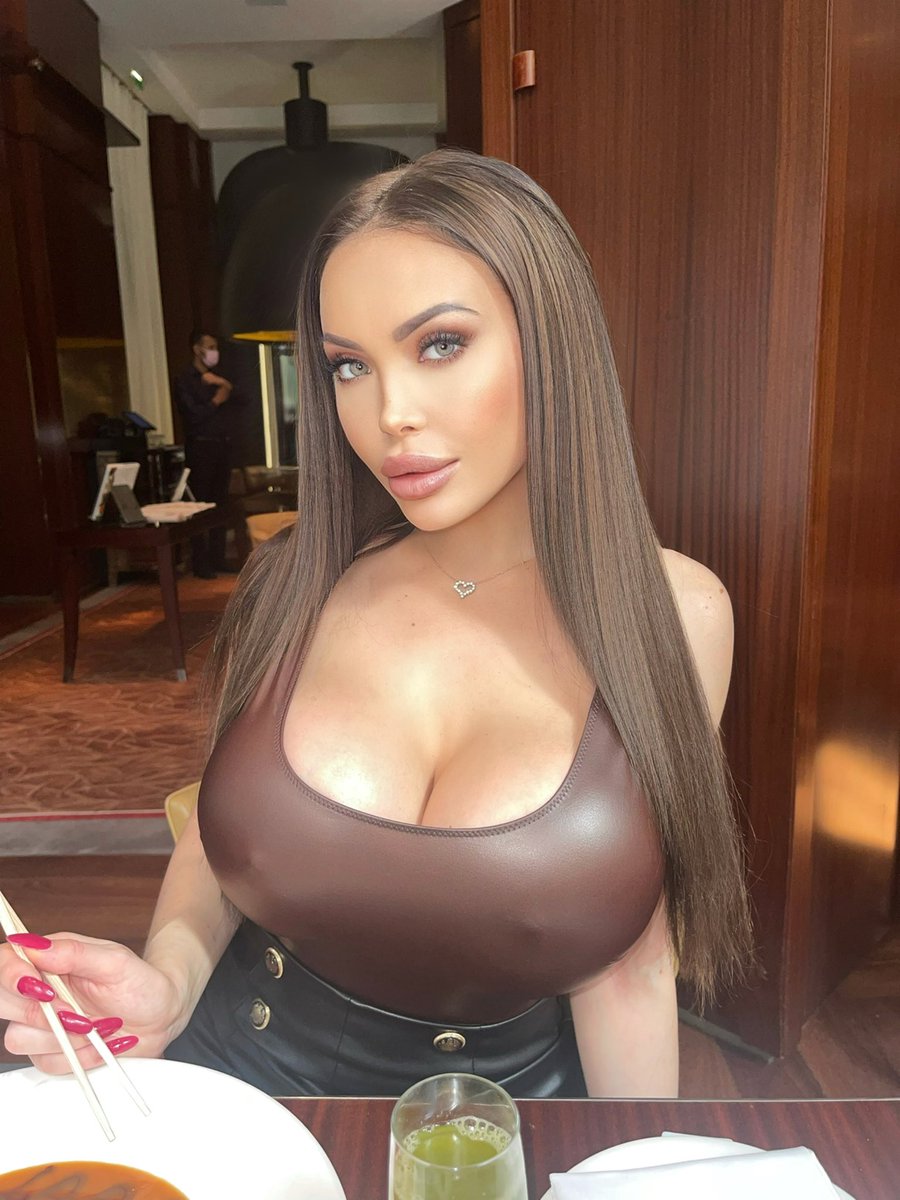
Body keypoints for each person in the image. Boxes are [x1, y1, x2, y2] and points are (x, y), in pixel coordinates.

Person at [0, 150, 753, 1098]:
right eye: (349, 366)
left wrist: (632, 1155)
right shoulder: (295, 577)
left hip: (501, 1125)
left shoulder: (679, 615)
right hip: (237, 1087)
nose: (390, 413)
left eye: (440, 344)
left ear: (551, 340)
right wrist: (170, 982)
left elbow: (631, 959)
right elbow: (223, 838)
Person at [172, 330, 236, 578]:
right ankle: (201, 561)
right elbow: (192, 415)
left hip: (222, 445)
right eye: (209, 347)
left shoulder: (218, 376)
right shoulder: (185, 379)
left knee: (220, 503)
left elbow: (241, 398)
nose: (213, 352)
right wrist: (216, 400)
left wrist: (223, 385)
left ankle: (219, 558)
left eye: (215, 347)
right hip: (200, 447)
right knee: (199, 504)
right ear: (196, 349)